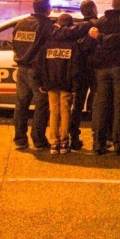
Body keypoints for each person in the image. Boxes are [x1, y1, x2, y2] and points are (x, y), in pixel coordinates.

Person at [36, 14, 90, 154]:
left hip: (51, 83)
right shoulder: (73, 44)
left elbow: (41, 65)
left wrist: (42, 82)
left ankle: (54, 142)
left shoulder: (47, 43)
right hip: (66, 83)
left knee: (54, 111)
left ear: (58, 24)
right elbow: (76, 67)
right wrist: (75, 86)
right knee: (65, 112)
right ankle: (64, 143)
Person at [90, 0, 120, 155]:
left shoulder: (101, 22)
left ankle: (98, 144)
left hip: (101, 68)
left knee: (102, 105)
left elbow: (94, 41)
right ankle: (119, 143)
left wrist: (99, 38)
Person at [11, 0, 56, 150]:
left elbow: (15, 44)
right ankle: (38, 140)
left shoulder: (21, 23)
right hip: (37, 71)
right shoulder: (46, 25)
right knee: (42, 105)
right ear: (47, 8)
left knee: (21, 105)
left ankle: (20, 140)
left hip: (22, 68)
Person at [69, 0, 99, 150]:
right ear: (94, 9)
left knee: (77, 105)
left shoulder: (76, 27)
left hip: (79, 69)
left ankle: (73, 137)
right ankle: (98, 139)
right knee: (97, 104)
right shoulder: (99, 25)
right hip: (95, 70)